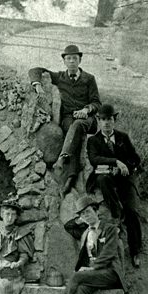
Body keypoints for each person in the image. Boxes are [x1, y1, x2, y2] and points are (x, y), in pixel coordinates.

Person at [39, 195, 126, 294]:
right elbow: (70, 227)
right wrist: (86, 268)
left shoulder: (110, 229)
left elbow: (109, 253)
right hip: (95, 275)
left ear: (96, 211)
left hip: (110, 273)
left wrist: (92, 268)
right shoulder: (85, 233)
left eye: (88, 212)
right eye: (83, 214)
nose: (86, 215)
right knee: (81, 289)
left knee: (77, 276)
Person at [28, 44, 102, 195]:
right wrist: (37, 85)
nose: (72, 62)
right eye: (68, 59)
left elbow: (97, 103)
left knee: (78, 125)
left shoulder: (89, 79)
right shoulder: (59, 77)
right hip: (68, 118)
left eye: (75, 58)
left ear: (80, 60)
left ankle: (62, 159)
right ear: (64, 61)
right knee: (72, 131)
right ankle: (70, 179)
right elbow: (35, 70)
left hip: (87, 120)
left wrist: (86, 110)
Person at [86, 104, 143, 268]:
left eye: (109, 119)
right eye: (103, 119)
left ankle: (135, 251)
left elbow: (135, 158)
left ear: (114, 120)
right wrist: (115, 162)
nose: (106, 123)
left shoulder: (123, 137)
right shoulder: (94, 140)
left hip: (124, 178)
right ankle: (116, 211)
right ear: (99, 121)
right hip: (106, 177)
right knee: (103, 180)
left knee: (132, 211)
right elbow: (94, 159)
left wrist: (126, 166)